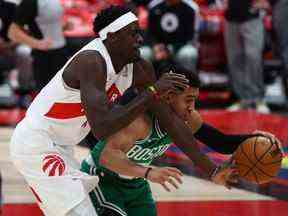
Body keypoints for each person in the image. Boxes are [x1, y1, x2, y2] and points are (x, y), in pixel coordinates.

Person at [10, 5, 234, 216]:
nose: (140, 38)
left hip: (63, 147)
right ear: (112, 36)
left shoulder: (139, 67)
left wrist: (211, 170)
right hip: (36, 143)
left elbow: (171, 122)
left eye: (139, 32)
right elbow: (102, 129)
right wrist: (152, 92)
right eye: (132, 33)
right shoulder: (91, 62)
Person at [80, 67, 268, 216]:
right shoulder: (140, 121)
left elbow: (220, 142)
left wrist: (256, 139)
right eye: (188, 100)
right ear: (168, 96)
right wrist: (149, 172)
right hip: (102, 178)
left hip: (135, 184)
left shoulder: (188, 119)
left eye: (195, 101)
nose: (191, 108)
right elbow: (107, 158)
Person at [8, 0, 69, 91]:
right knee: (47, 92)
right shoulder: (30, 2)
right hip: (44, 57)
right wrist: (37, 44)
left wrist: (62, 27)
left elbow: (47, 23)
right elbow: (12, 32)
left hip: (61, 51)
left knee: (62, 90)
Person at [224, 0, 270, 113]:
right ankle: (243, 99)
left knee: (253, 57)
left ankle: (258, 99)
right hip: (231, 18)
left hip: (252, 17)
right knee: (234, 60)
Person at [141, 0, 200, 71]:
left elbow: (190, 36)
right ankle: (143, 81)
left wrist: (170, 49)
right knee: (143, 53)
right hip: (158, 47)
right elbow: (149, 33)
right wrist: (155, 46)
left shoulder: (190, 8)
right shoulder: (154, 6)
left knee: (188, 54)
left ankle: (187, 80)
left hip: (179, 47)